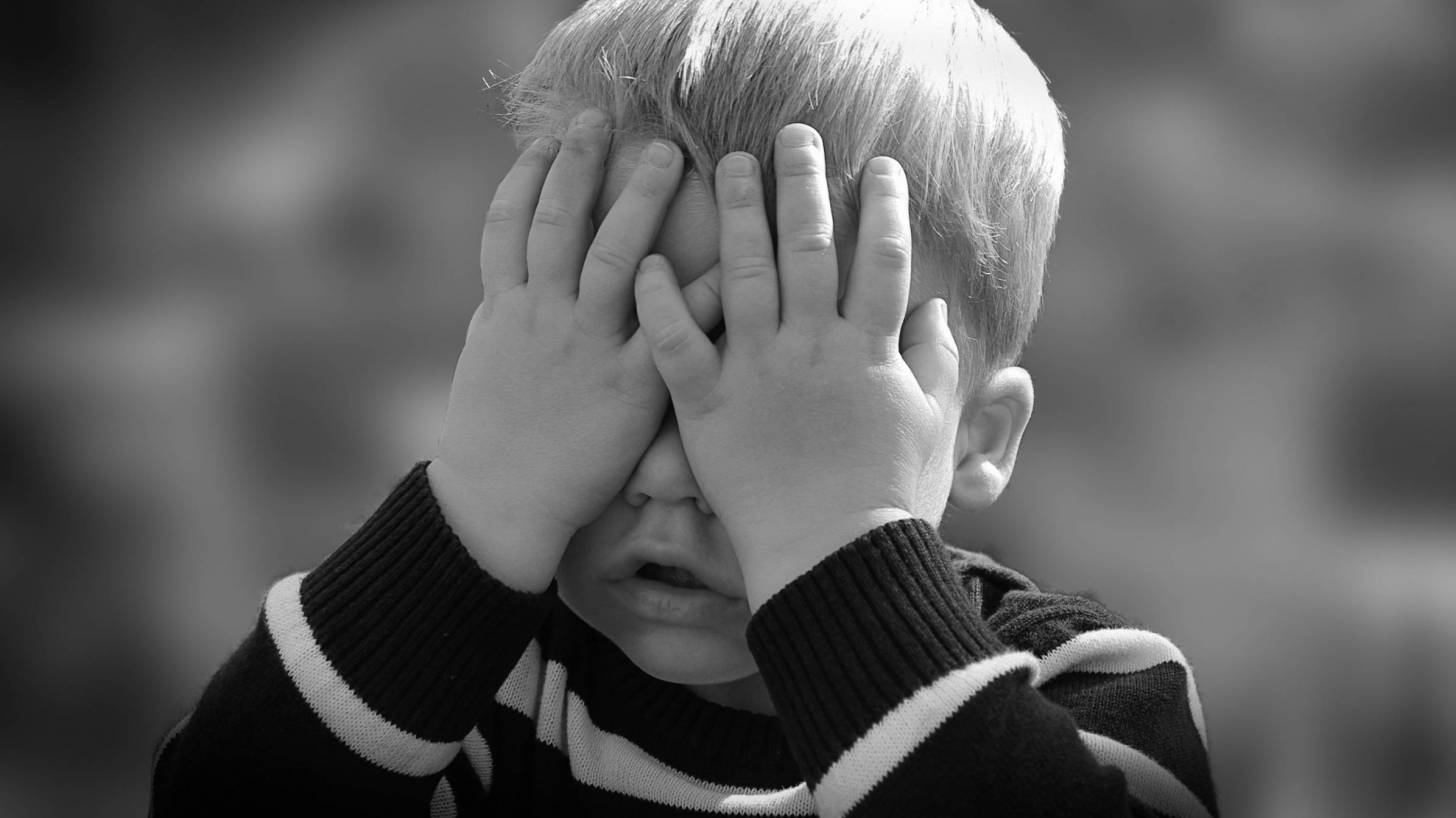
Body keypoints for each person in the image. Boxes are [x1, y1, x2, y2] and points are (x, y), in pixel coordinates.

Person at [151, 0, 1219, 815]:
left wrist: (833, 548)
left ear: (976, 435)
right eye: (618, 363)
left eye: (790, 393)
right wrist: (477, 504)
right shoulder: (474, 676)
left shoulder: (1086, 684)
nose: (670, 468)